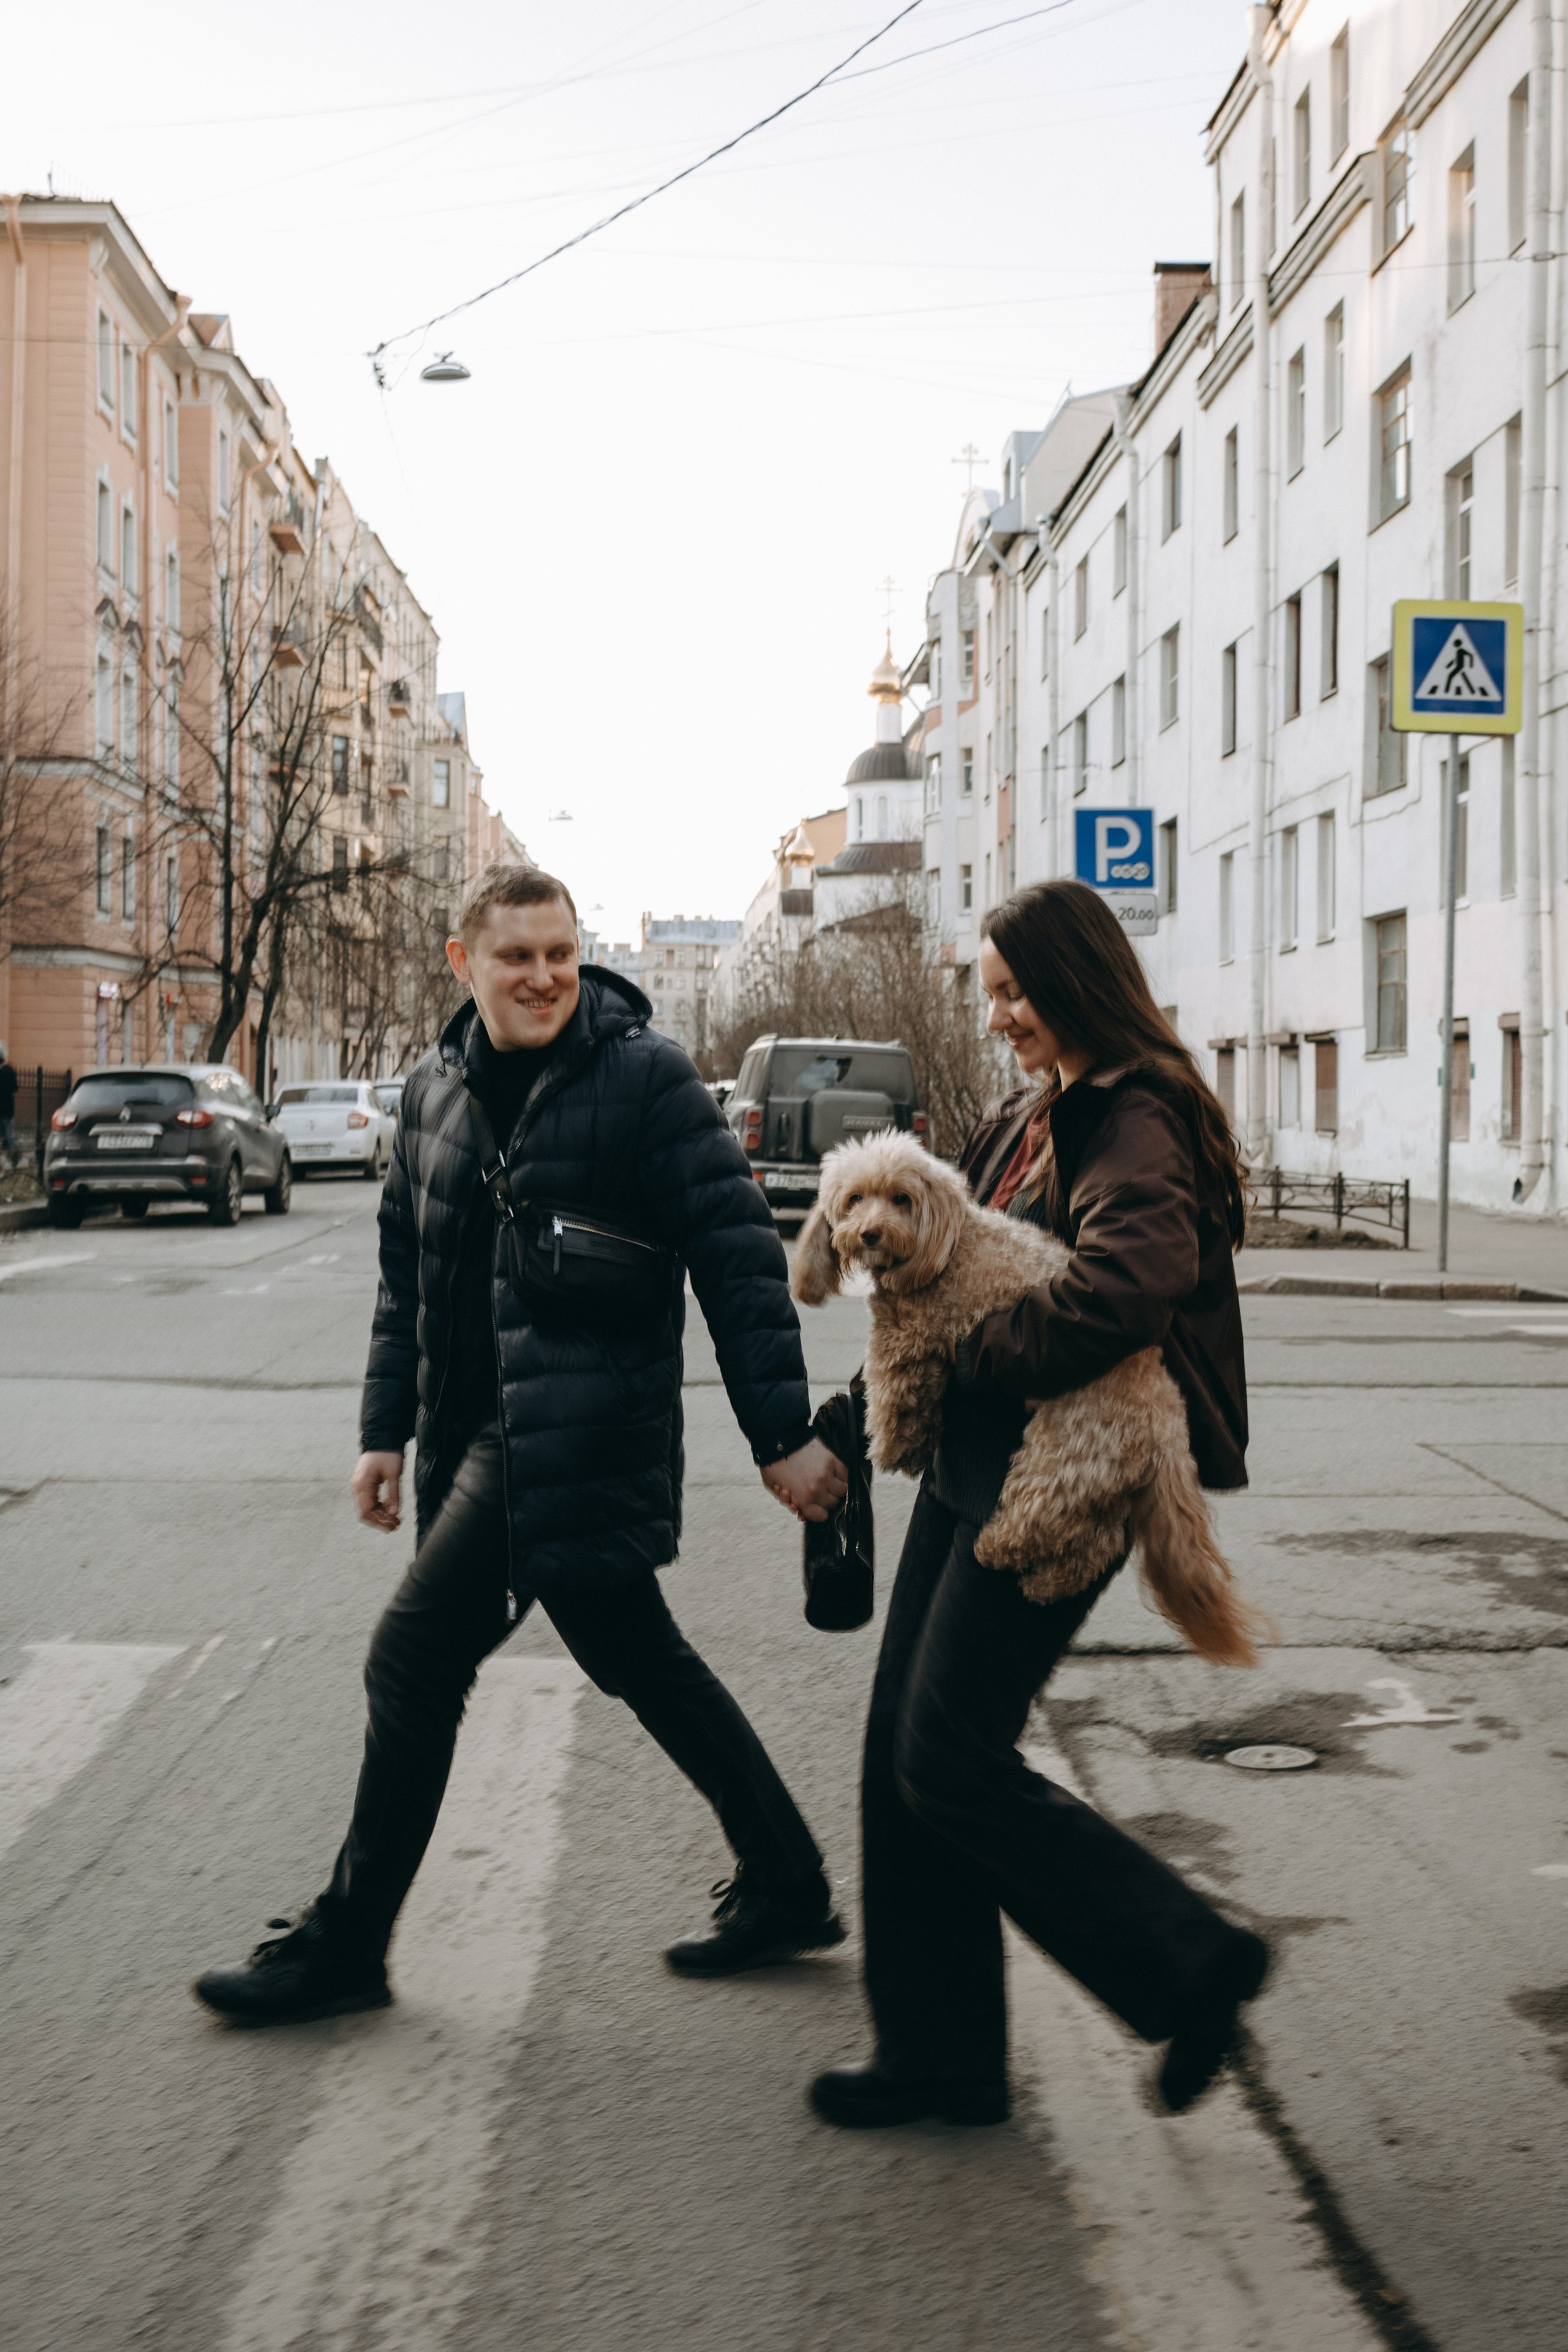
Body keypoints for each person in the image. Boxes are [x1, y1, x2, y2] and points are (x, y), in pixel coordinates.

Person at [194, 865, 848, 2026]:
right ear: (465, 963)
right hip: (471, 1434)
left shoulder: (645, 1079)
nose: (545, 977)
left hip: (579, 1436)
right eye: (517, 956)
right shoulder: (432, 1092)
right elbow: (407, 1280)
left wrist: (781, 1433)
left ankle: (347, 1945)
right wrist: (382, 1431)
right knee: (639, 1654)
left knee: (411, 1662)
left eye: (561, 954)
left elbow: (738, 1254)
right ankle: (788, 1882)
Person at [810, 878, 1269, 2130]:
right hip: (973, 1465)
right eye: (991, 994)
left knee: (949, 1757)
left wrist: (971, 1361)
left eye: (1016, 991)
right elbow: (941, 1278)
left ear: (1074, 980)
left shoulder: (1133, 1111)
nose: (999, 1014)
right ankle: (941, 2056)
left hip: (1065, 1475)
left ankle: (1191, 1964)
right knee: (902, 1754)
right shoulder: (1028, 1112)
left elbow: (1129, 1283)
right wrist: (856, 1411)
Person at [0, 1043, 18, 1170]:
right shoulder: (9, 1071)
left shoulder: (3, 1072)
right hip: (8, 1107)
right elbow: (15, 1088)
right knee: (8, 1132)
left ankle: (15, 1157)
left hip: (3, 1107)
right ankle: (13, 1156)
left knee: (7, 1133)